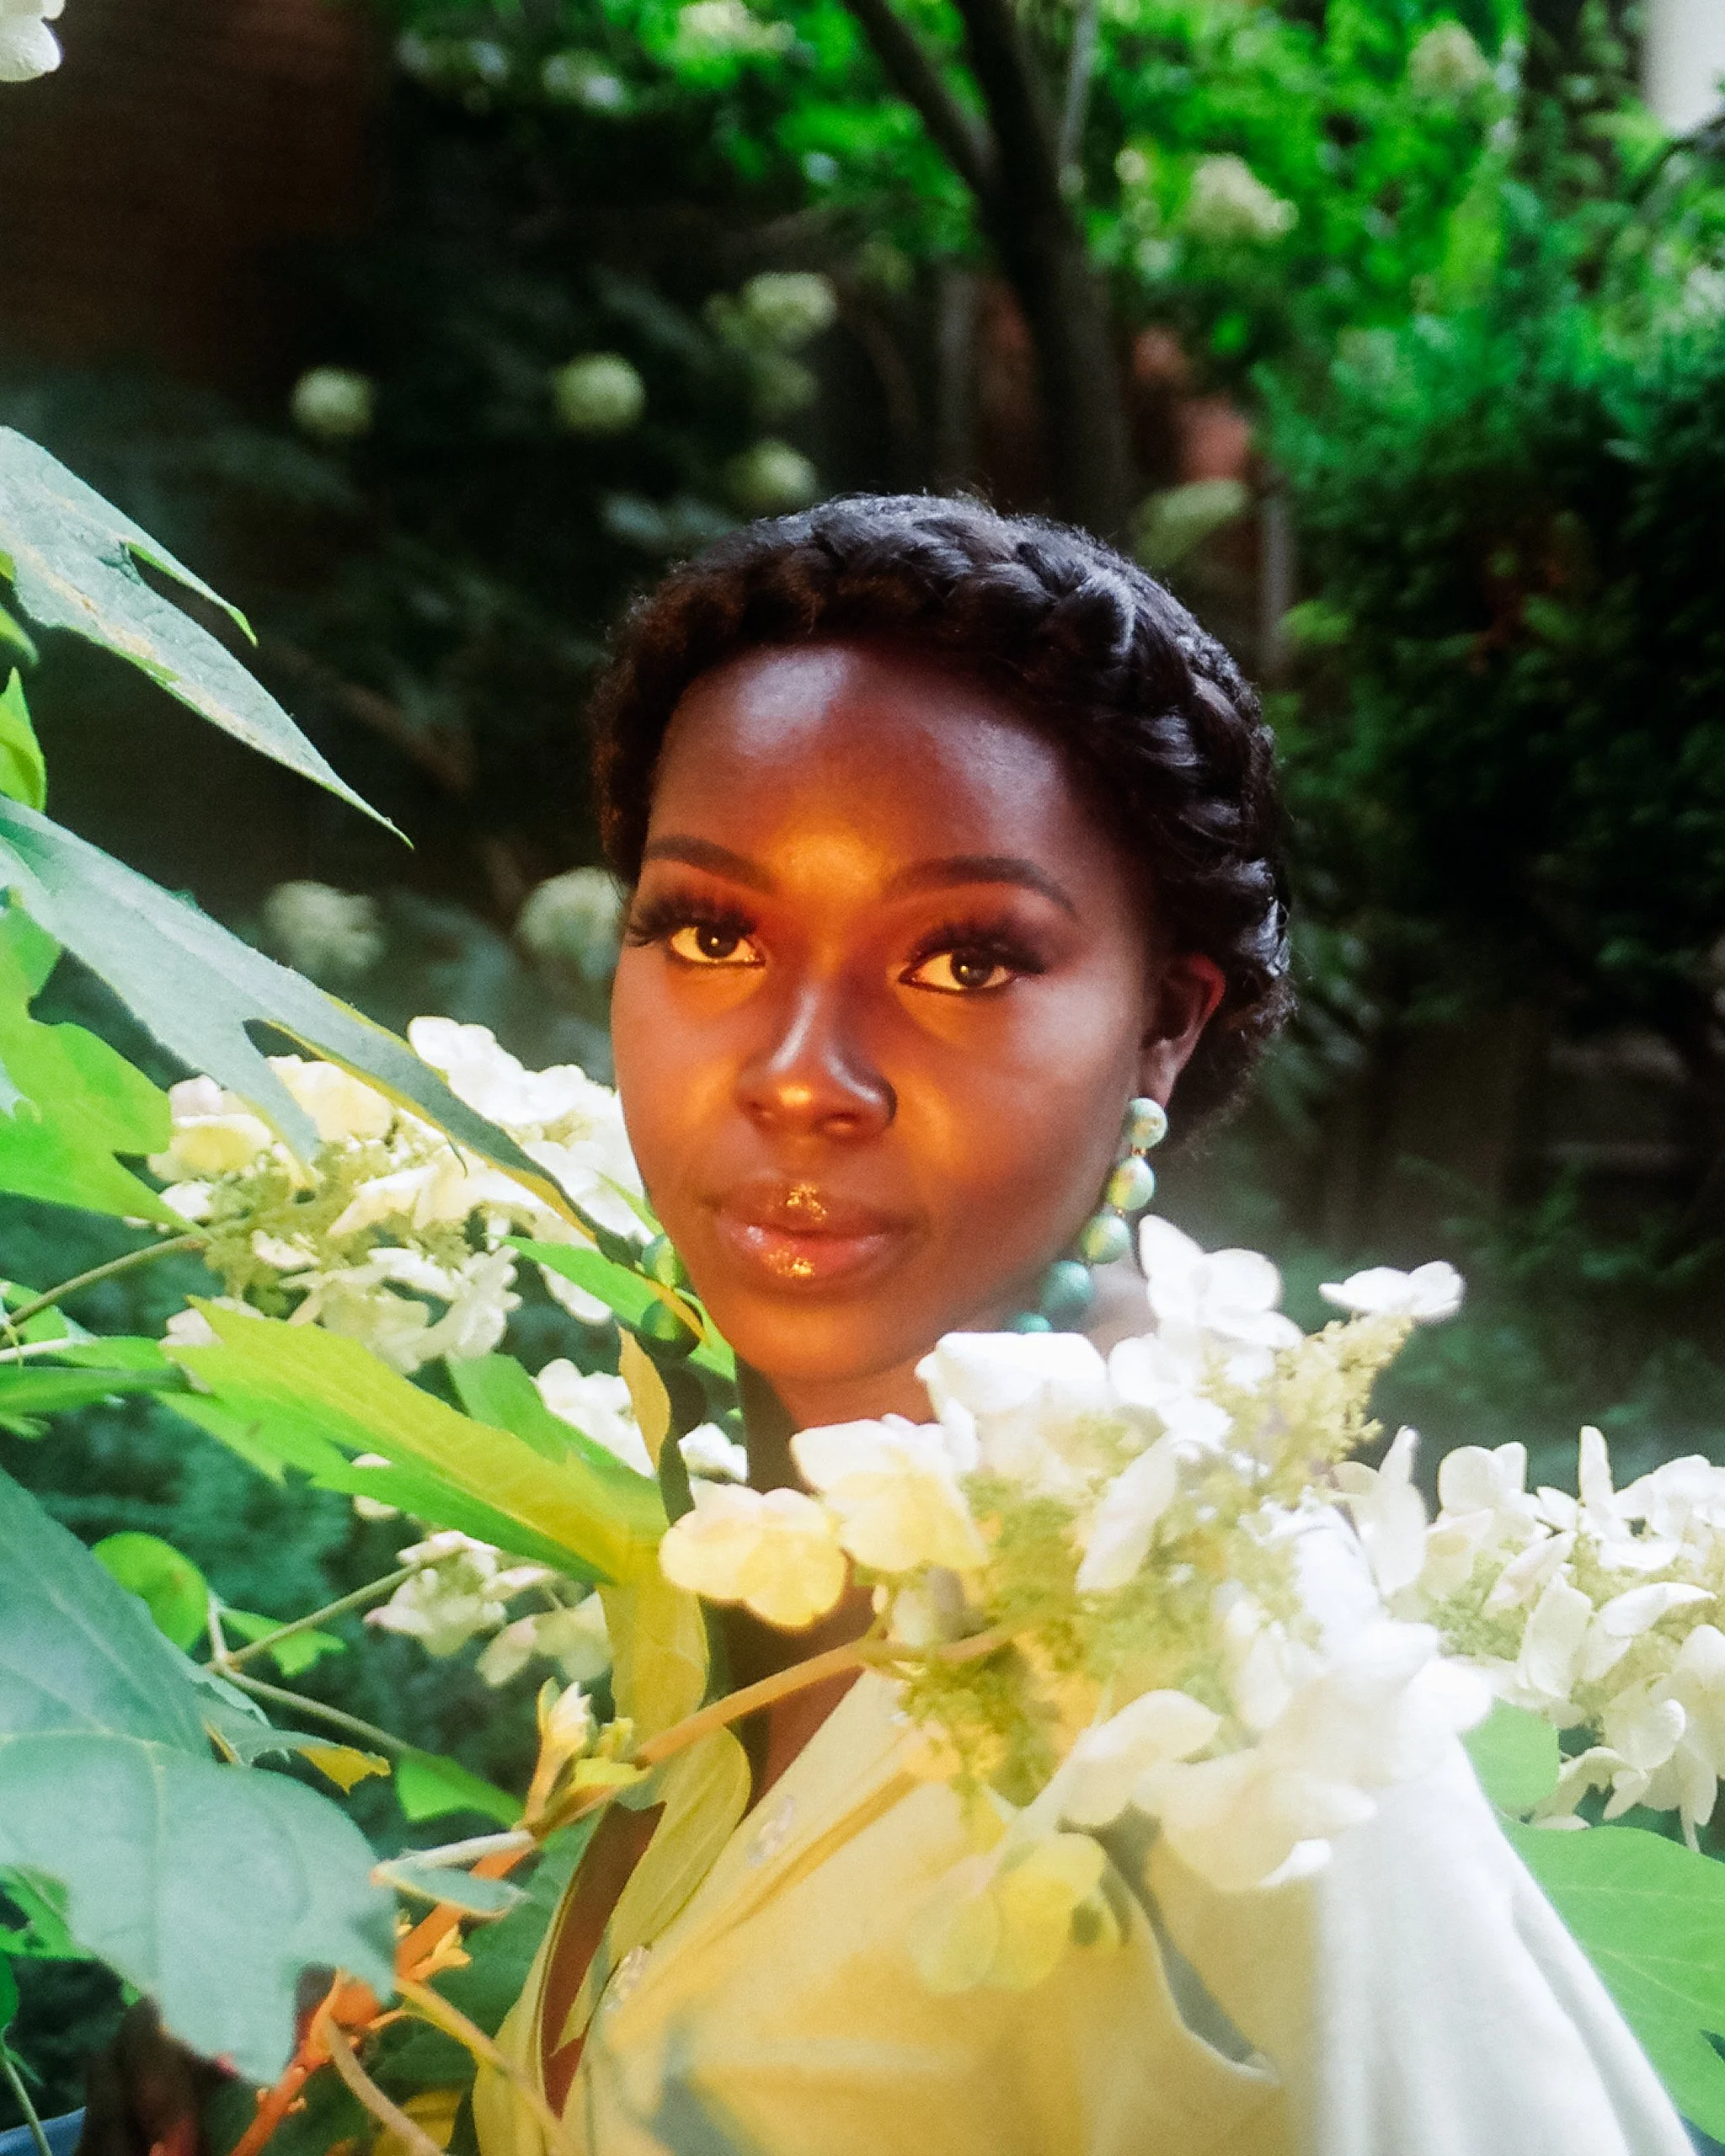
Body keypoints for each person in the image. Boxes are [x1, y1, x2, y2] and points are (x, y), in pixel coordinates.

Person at [473, 495, 1697, 2156]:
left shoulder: (1202, 1664)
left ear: (1162, 1030)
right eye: (710, 930)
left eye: (963, 960)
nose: (796, 1072)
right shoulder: (709, 1493)